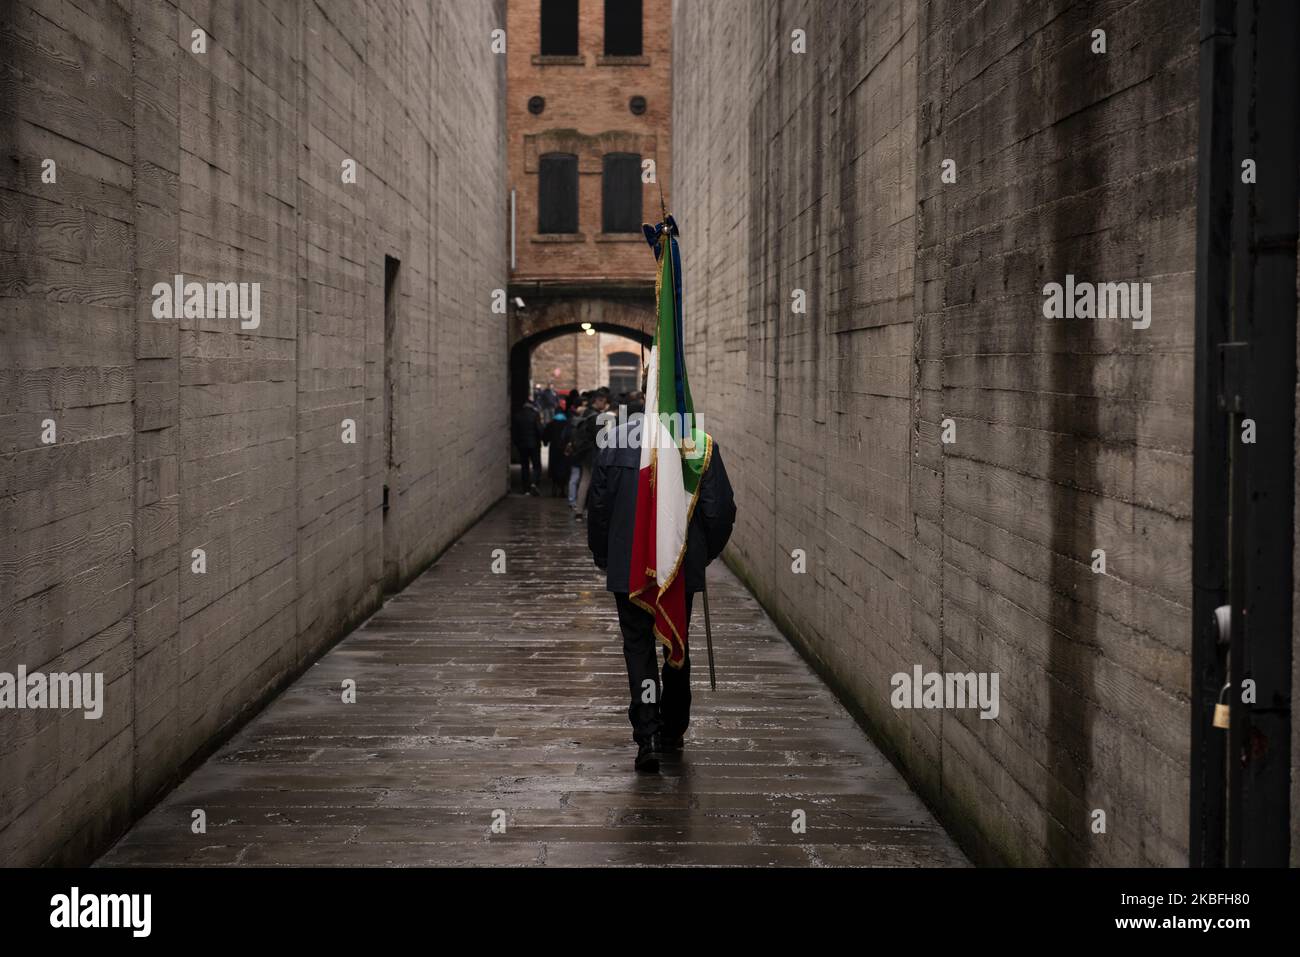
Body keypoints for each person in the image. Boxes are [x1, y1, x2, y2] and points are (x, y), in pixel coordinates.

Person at [586, 418, 737, 773]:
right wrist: (701, 553)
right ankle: (671, 729)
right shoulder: (699, 444)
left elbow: (600, 508)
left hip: (630, 565)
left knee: (639, 648)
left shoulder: (615, 439)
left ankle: (648, 735)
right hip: (679, 568)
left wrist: (605, 555)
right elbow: (721, 511)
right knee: (675, 644)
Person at [566, 388, 609, 520]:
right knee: (592, 482)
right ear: (599, 401)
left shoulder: (586, 413)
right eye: (604, 402)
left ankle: (579, 509)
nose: (605, 405)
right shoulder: (596, 416)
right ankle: (588, 510)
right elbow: (599, 438)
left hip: (584, 452)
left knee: (584, 480)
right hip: (593, 453)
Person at [511, 397, 543, 495]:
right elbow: (539, 430)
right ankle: (534, 483)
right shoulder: (535, 415)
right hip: (534, 445)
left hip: (522, 446)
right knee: (536, 465)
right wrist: (542, 440)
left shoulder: (518, 416)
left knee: (525, 466)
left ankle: (526, 489)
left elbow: (514, 432)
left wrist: (516, 443)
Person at [543, 409, 570, 497]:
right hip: (564, 448)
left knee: (554, 466)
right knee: (563, 468)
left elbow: (545, 435)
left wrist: (545, 442)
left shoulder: (551, 424)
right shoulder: (567, 423)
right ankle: (562, 490)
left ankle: (554, 488)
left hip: (554, 448)